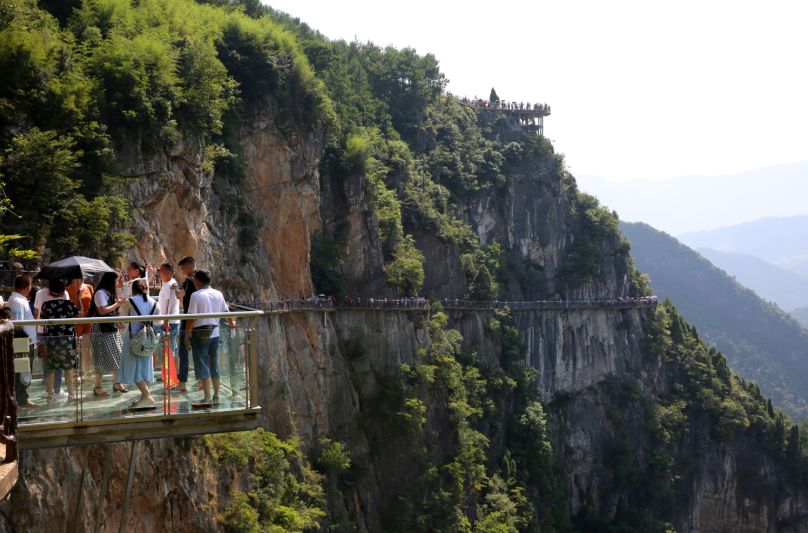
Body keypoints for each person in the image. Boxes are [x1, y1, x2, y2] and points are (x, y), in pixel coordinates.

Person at [184, 269, 234, 407]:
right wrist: (232, 324)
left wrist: (187, 336)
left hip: (200, 333)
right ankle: (216, 396)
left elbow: (191, 319)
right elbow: (226, 312)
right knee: (214, 364)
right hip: (215, 333)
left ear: (198, 281)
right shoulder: (218, 293)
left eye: (194, 280)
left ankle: (206, 399)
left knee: (202, 364)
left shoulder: (196, 295)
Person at [40, 278, 81, 402]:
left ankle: (50, 396)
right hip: (67, 339)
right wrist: (78, 299)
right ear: (63, 291)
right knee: (68, 369)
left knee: (51, 369)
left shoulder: (45, 305)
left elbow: (42, 321)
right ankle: (71, 396)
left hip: (51, 339)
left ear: (50, 291)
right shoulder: (68, 304)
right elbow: (81, 315)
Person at [120, 280, 158, 408]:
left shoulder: (130, 302)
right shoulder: (154, 303)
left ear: (134, 289)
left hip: (133, 338)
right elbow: (158, 321)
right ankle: (144, 397)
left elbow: (123, 317)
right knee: (145, 367)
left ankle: (147, 396)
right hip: (148, 339)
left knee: (133, 367)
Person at [89, 271, 127, 396]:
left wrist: (117, 321)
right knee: (101, 358)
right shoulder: (100, 293)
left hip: (110, 328)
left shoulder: (108, 292)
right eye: (116, 281)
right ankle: (98, 386)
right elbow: (102, 310)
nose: (117, 284)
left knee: (119, 355)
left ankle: (117, 382)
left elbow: (110, 311)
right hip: (101, 330)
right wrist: (118, 304)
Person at [8, 274, 38, 408]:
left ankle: (22, 399)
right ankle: (19, 401)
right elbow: (17, 323)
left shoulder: (17, 299)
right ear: (28, 286)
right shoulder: (18, 301)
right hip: (22, 343)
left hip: (24, 342)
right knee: (21, 372)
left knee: (23, 371)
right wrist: (26, 336)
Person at [174, 256, 197, 393]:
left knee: (183, 349)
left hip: (189, 317)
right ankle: (201, 380)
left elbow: (179, 295)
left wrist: (176, 287)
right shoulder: (202, 278)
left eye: (183, 268)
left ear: (188, 267)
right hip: (202, 319)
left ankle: (182, 382)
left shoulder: (188, 281)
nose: (182, 271)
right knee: (200, 350)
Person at [66, 277, 94, 380]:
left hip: (88, 321)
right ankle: (75, 373)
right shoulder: (67, 289)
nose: (81, 278)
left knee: (87, 347)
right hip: (75, 321)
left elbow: (92, 303)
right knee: (75, 348)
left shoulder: (89, 287)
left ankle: (87, 372)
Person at [156, 263, 180, 370]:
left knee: (169, 348)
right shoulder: (168, 284)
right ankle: (172, 373)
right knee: (172, 347)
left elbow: (170, 304)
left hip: (170, 322)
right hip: (170, 321)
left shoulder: (171, 285)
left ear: (169, 272)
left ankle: (170, 374)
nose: (159, 273)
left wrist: (166, 321)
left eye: (161, 271)